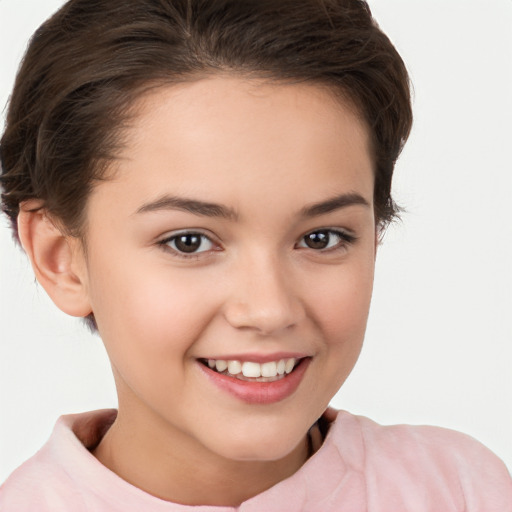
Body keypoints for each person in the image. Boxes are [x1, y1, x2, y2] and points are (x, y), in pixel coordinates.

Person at [0, 0, 510, 510]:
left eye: (321, 238)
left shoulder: (462, 492)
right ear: (60, 257)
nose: (269, 310)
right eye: (189, 242)